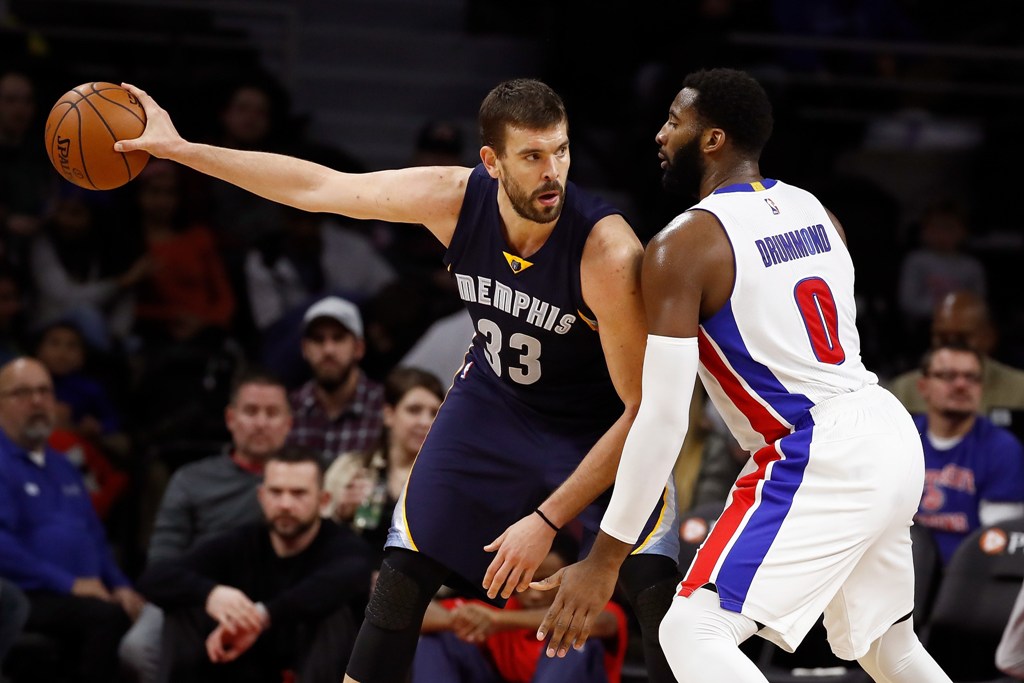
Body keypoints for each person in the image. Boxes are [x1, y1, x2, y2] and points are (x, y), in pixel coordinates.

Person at [115, 77, 683, 683]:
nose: (553, 173)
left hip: (600, 424)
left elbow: (643, 410)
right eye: (532, 156)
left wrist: (547, 523)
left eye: (562, 150)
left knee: (655, 594)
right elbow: (317, 188)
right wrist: (181, 149)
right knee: (401, 578)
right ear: (490, 162)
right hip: (495, 402)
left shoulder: (607, 251)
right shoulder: (452, 198)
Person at [533, 68, 952, 683]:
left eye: (674, 121)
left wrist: (604, 557)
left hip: (815, 449)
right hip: (885, 425)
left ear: (712, 140)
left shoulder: (684, 245)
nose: (659, 134)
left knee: (692, 629)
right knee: (890, 648)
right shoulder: (818, 210)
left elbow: (665, 416)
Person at [136, 446, 374, 683]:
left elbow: (346, 579)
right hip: (242, 665)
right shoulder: (242, 541)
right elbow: (155, 578)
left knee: (334, 612)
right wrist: (211, 594)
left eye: (298, 493)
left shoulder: (344, 545)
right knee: (185, 606)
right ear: (261, 496)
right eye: (276, 492)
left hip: (312, 663)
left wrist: (262, 616)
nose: (285, 504)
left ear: (323, 500)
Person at [119, 368, 293, 683]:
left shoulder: (310, 474)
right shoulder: (190, 479)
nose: (261, 422)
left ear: (288, 423)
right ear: (231, 419)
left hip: (277, 598)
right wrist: (207, 593)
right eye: (251, 411)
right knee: (138, 647)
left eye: (272, 413)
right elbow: (161, 562)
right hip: (196, 594)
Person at [0, 357, 145, 683]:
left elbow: (93, 535)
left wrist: (120, 584)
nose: (36, 401)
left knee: (149, 612)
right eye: (21, 393)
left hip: (80, 593)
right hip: (23, 595)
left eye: (44, 391)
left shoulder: (63, 464)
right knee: (105, 618)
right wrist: (68, 583)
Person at [412, 532, 628, 683]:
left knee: (570, 637)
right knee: (437, 636)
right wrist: (459, 620)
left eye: (547, 581)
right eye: (525, 581)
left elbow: (603, 622)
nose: (534, 593)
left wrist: (498, 622)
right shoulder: (506, 606)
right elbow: (418, 614)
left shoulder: (588, 604)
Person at [913, 343, 1024, 564]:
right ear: (923, 386)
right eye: (948, 376)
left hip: (968, 577)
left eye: (972, 377)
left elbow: (997, 542)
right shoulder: (901, 439)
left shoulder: (1002, 448)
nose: (962, 385)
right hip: (899, 567)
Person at [323, 365, 444, 567]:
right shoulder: (350, 469)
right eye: (414, 410)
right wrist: (340, 514)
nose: (425, 421)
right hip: (352, 583)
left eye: (434, 413)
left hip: (421, 591)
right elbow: (313, 539)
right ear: (389, 414)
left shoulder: (449, 480)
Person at [886, 290, 1024, 416]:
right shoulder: (904, 391)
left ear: (989, 337)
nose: (951, 346)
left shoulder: (1019, 390)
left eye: (962, 338)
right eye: (942, 337)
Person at [285, 296, 386, 465]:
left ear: (359, 348)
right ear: (304, 349)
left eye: (338, 338)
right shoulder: (288, 408)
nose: (328, 350)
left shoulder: (384, 408)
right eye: (318, 339)